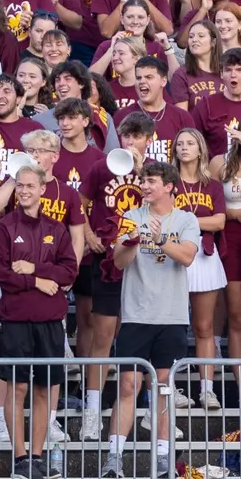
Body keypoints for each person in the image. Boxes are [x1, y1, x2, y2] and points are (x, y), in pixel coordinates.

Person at [107, 160, 199, 478]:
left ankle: (162, 457)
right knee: (129, 386)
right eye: (143, 180)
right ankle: (113, 457)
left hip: (171, 316)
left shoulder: (186, 219)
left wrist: (161, 241)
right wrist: (131, 243)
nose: (144, 186)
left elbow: (187, 256)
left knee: (163, 387)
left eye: (151, 181)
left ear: (169, 186)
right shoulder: (132, 216)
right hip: (136, 314)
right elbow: (119, 262)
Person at [0, 162, 79, 478]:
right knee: (17, 390)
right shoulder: (4, 228)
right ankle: (20, 458)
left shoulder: (56, 229)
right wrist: (37, 282)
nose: (24, 191)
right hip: (15, 322)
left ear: (42, 189)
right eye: (20, 186)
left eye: (30, 186)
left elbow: (70, 270)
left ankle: (37, 456)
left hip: (49, 323)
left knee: (43, 389)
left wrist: (33, 270)